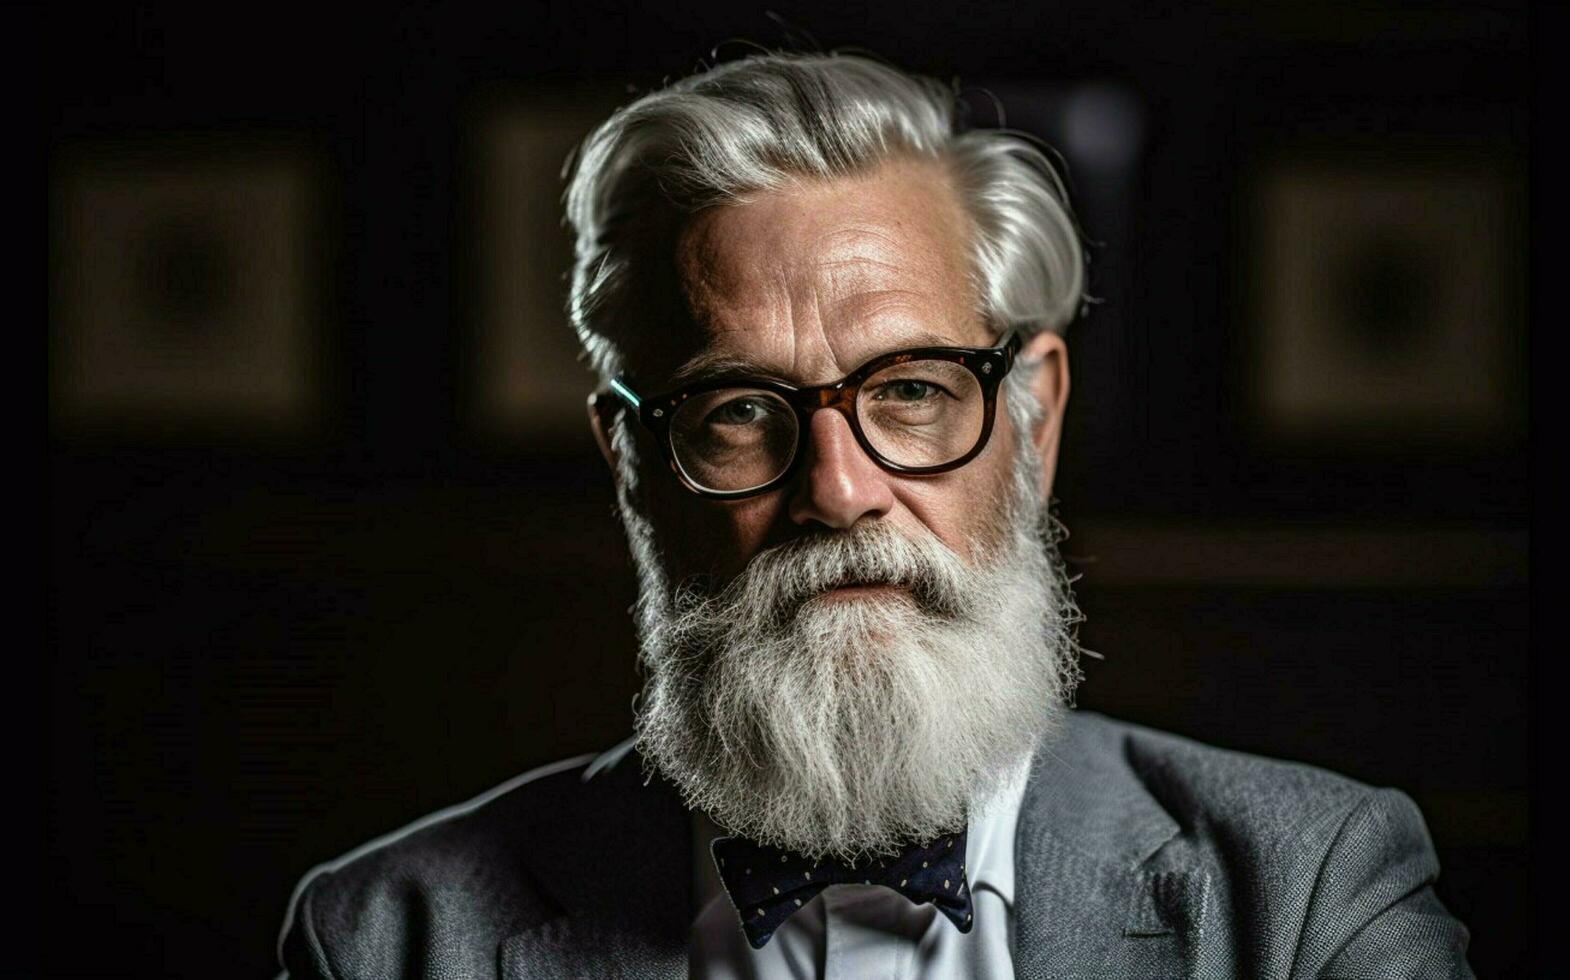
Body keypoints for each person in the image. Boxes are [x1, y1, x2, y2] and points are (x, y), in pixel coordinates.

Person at [275, 52, 1473, 979]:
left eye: (909, 390)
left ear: (1034, 420)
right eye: (740, 409)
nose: (839, 490)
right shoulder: (386, 939)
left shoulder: (1311, 888)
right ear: (632, 463)